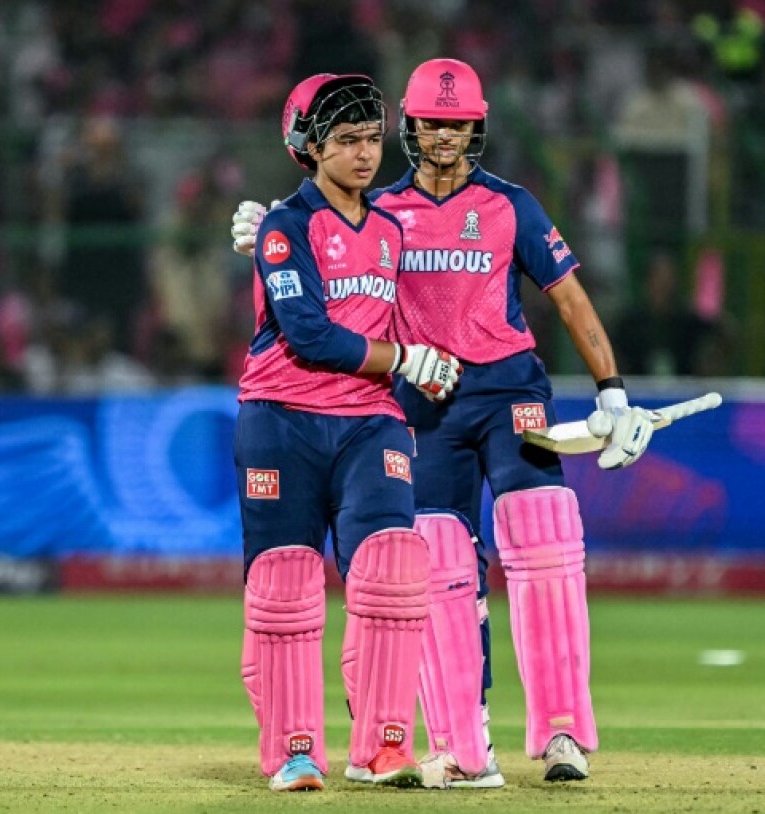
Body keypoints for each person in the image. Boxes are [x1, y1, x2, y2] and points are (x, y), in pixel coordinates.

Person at [231, 58, 657, 788]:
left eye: (459, 123)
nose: (445, 135)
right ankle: (461, 749)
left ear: (477, 126)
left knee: (544, 539)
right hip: (419, 398)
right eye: (432, 121)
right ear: (413, 124)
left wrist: (611, 390)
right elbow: (326, 259)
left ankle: (561, 732)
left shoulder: (510, 205)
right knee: (431, 566)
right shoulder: (382, 209)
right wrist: (273, 235)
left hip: (504, 387)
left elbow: (571, 299)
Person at [234, 72, 462, 793]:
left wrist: (425, 369)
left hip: (370, 420)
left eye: (370, 138)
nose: (365, 155)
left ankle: (385, 747)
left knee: (396, 563)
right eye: (345, 141)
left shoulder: (390, 230)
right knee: (286, 583)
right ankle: (295, 752)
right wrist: (404, 357)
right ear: (308, 147)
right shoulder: (285, 228)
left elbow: (397, 331)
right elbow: (307, 335)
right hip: (281, 417)